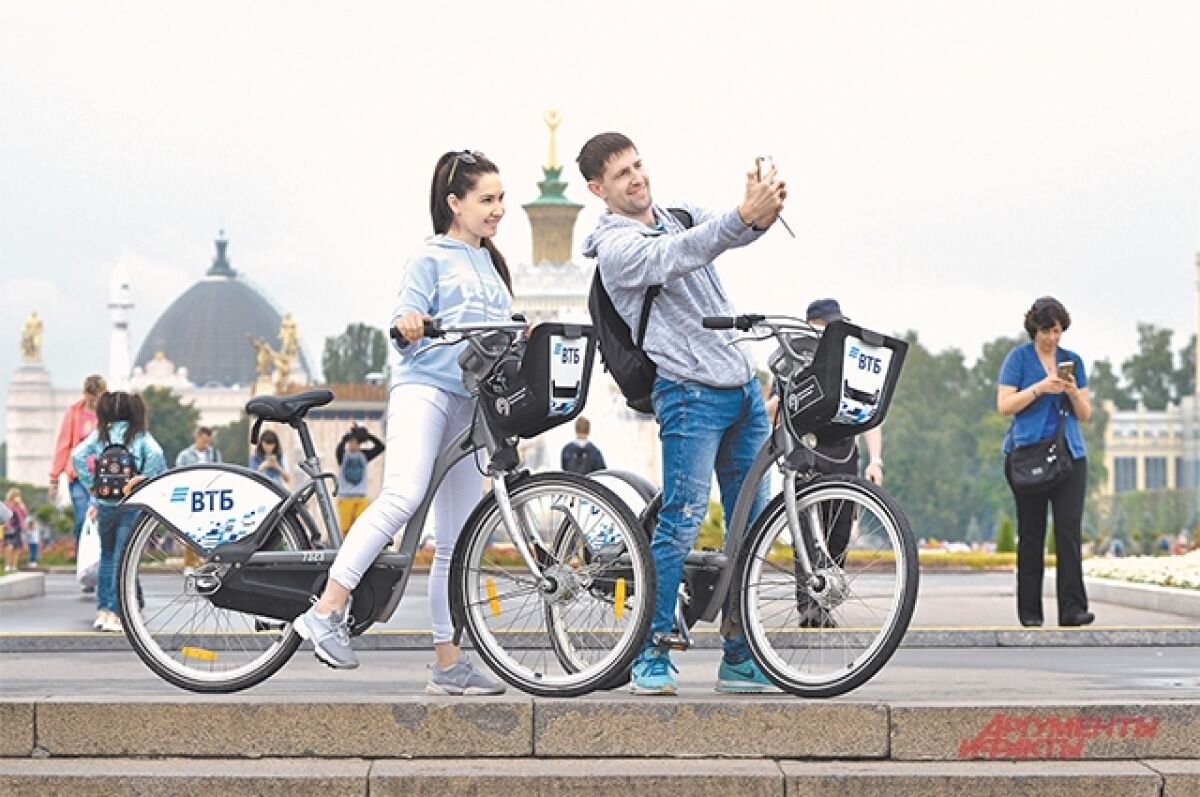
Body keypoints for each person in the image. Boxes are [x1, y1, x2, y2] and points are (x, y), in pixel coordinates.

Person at [293, 149, 513, 696]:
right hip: (426, 390)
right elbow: (401, 317)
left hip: (471, 402)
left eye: (501, 199)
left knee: (458, 539)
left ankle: (448, 664)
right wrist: (409, 325)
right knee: (402, 496)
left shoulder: (491, 262)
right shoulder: (430, 257)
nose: (498, 210)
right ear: (454, 204)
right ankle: (327, 610)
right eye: (487, 199)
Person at [577, 131, 787, 695]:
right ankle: (650, 652)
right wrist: (740, 218)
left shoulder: (677, 212)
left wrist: (760, 213)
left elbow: (723, 232)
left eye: (638, 165)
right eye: (621, 174)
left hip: (742, 387)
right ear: (599, 189)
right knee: (681, 522)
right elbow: (679, 255)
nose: (637, 178)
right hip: (688, 394)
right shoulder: (617, 249)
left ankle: (739, 657)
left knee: (753, 525)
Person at [766, 298, 885, 627]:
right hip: (806, 450)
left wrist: (876, 460)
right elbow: (772, 409)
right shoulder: (794, 361)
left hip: (844, 453)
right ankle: (809, 605)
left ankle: (826, 598)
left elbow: (871, 416)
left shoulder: (851, 361)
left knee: (839, 531)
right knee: (806, 530)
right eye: (825, 326)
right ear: (810, 326)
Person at [997, 297, 1093, 628]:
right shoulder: (1018, 360)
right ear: (1034, 330)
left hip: (1069, 454)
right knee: (1032, 533)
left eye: (1057, 331)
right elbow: (1005, 405)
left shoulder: (1073, 361)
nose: (1052, 338)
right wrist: (1040, 388)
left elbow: (1085, 414)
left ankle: (1073, 609)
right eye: (1046, 331)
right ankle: (1030, 613)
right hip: (1028, 455)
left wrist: (1071, 391)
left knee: (1068, 532)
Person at [71, 392, 167, 632]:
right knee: (122, 558)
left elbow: (77, 455)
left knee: (107, 554)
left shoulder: (101, 434)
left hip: (105, 502)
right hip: (129, 502)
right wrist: (142, 481)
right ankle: (116, 612)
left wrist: (92, 485)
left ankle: (103, 611)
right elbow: (156, 455)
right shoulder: (139, 435)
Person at [49, 375, 108, 547]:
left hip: (105, 476)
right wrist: (54, 478)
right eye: (91, 398)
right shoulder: (75, 413)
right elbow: (63, 445)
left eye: (97, 398)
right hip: (79, 477)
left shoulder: (111, 412)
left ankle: (105, 560)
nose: (94, 402)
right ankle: (83, 556)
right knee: (82, 520)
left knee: (105, 520)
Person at [335, 423, 385, 534]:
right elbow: (339, 450)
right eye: (351, 442)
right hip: (345, 497)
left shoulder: (363, 455)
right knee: (345, 529)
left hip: (360, 497)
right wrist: (345, 439)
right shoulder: (343, 456)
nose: (353, 445)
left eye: (356, 442)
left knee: (361, 526)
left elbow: (381, 447)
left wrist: (368, 436)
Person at [3, 488, 28, 572]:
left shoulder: (19, 505)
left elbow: (25, 515)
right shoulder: (6, 504)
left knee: (17, 548)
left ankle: (14, 566)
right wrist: (7, 526)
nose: (18, 497)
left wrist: (21, 505)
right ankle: (7, 565)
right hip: (9, 528)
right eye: (16, 495)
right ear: (12, 495)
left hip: (18, 528)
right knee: (9, 547)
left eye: (18, 495)